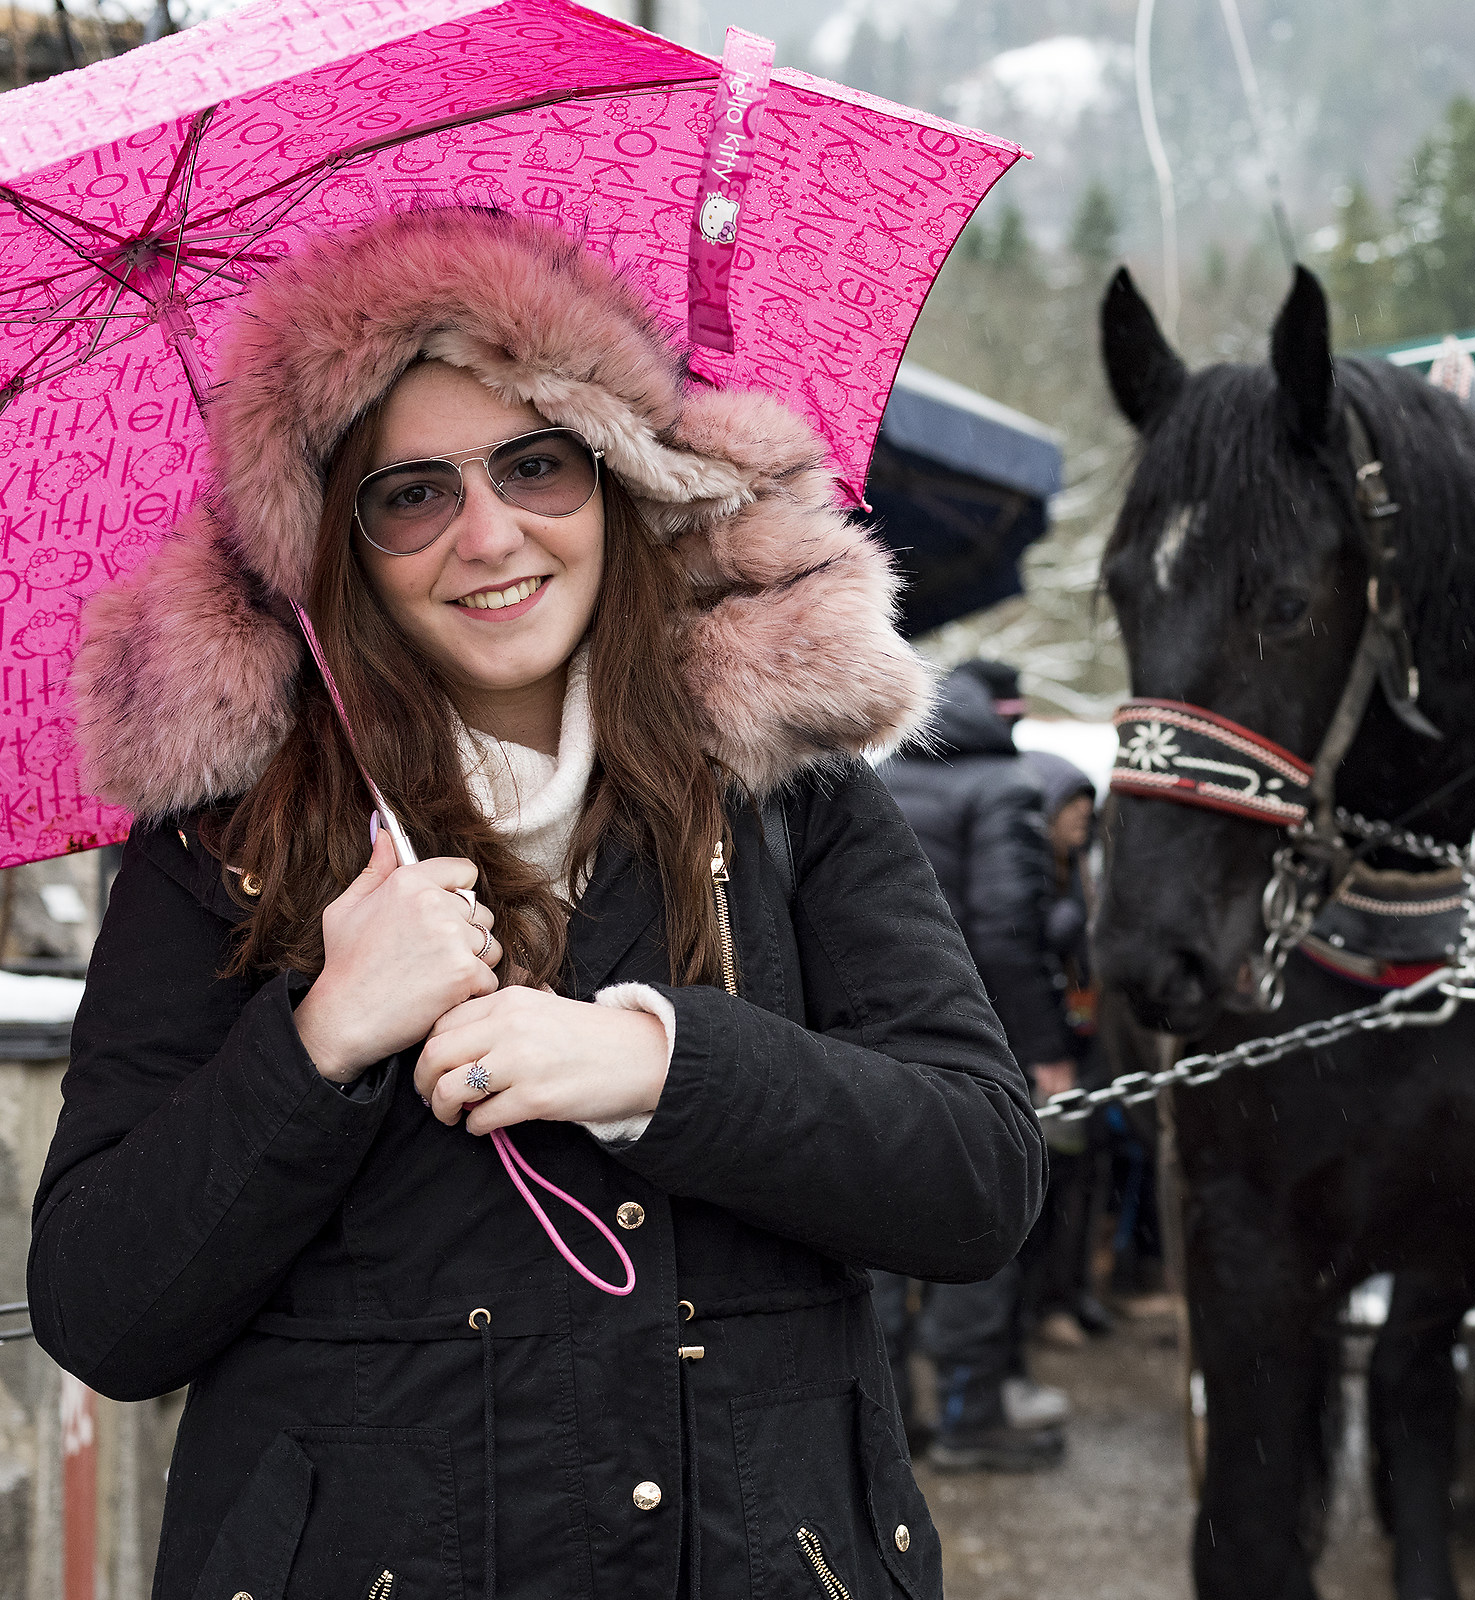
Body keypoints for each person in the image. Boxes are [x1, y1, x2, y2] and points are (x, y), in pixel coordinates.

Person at [32, 210, 1042, 1600]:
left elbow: (977, 1179)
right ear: (337, 543)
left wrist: (662, 1066)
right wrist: (319, 1041)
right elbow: (104, 1310)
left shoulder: (777, 780)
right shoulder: (227, 837)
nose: (489, 534)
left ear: (614, 475)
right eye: (411, 495)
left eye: (536, 465)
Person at [875, 662, 1074, 1470]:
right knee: (978, 1219)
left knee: (877, 1230)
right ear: (1006, 715)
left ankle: (888, 1428)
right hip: (970, 1038)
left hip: (871, 1036)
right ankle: (970, 1416)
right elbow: (1005, 929)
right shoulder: (1006, 785)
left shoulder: (882, 774)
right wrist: (1047, 1045)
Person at [1015, 749, 1113, 1349]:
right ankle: (1039, 1305)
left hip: (1080, 1045)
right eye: (1071, 805)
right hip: (1040, 1053)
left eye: (1086, 806)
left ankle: (1069, 1292)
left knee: (1080, 1175)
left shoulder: (1081, 871)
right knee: (1043, 1184)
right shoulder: (1027, 874)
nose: (1082, 816)